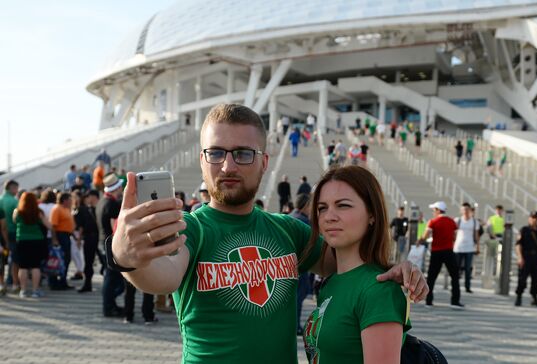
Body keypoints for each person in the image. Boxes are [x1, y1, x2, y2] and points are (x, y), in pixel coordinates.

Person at [108, 103, 427, 363]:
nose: (228, 167)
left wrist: (396, 269)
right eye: (216, 153)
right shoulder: (194, 228)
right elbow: (163, 276)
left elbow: (350, 263)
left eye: (243, 154)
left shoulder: (288, 231)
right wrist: (126, 257)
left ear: (264, 162)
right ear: (202, 160)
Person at [303, 166, 410, 363]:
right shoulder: (332, 282)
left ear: (372, 214)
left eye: (343, 205)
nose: (329, 216)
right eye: (322, 208)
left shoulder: (379, 290)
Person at [420, 201, 464, 309]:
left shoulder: (433, 221)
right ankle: (455, 301)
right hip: (449, 251)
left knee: (432, 277)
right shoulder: (451, 221)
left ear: (438, 210)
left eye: (434, 210)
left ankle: (429, 301)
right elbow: (454, 236)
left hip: (436, 251)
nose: (433, 212)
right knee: (454, 276)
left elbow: (425, 236)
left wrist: (419, 241)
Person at [12, 192, 51, 298]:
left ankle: (23, 290)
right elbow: (49, 225)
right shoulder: (38, 212)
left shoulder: (17, 212)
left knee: (23, 266)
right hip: (36, 240)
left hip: (22, 240)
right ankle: (35, 290)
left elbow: (14, 222)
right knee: (35, 266)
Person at [97, 174, 125, 317]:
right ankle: (108, 306)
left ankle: (110, 305)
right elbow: (116, 225)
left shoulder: (102, 201)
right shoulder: (112, 204)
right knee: (114, 277)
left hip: (102, 241)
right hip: (110, 243)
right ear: (117, 188)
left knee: (111, 277)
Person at [289, 193, 312, 336]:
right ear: (305, 206)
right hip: (300, 266)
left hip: (288, 266)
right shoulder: (304, 222)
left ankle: (294, 325)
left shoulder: (291, 216)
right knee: (298, 298)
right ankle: (296, 325)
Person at [514, 211, 537, 307]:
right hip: (526, 257)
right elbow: (518, 244)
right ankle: (519, 296)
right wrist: (520, 257)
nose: (534, 219)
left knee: (536, 279)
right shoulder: (524, 230)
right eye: (532, 217)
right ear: (529, 218)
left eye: (536, 218)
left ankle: (534, 298)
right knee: (522, 278)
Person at [74, 189, 100, 293]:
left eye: (88, 196)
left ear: (93, 197)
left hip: (101, 238)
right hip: (89, 237)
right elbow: (81, 227)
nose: (87, 199)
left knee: (105, 261)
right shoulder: (84, 209)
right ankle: (87, 283)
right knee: (88, 262)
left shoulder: (101, 207)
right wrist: (79, 239)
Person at [49, 192, 75, 290]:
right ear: (65, 200)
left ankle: (63, 281)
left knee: (66, 259)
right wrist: (54, 239)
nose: (71, 201)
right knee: (57, 259)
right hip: (60, 235)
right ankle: (54, 282)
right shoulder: (57, 209)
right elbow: (53, 226)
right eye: (70, 199)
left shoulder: (66, 209)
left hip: (66, 235)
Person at [453, 203, 480, 293]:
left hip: (469, 247)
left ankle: (467, 286)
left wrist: (477, 247)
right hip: (458, 247)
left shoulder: (474, 222)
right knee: (456, 268)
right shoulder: (458, 220)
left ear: (470, 210)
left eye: (467, 209)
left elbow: (476, 235)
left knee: (468, 268)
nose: (465, 211)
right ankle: (455, 285)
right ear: (461, 210)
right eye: (464, 209)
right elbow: (453, 233)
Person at [0, 180, 20, 291]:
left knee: (2, 259)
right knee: (14, 257)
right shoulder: (14, 201)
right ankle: (13, 280)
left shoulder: (0, 200)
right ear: (12, 188)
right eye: (16, 188)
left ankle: (2, 283)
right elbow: (17, 219)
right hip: (12, 233)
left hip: (1, 235)